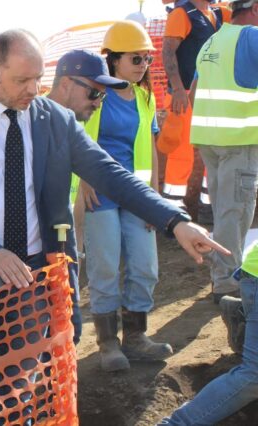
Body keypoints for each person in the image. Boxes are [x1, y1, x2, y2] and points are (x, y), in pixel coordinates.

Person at [0, 28, 229, 345]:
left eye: (38, 78)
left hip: (32, 280)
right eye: (22, 80)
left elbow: (109, 173)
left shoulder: (56, 120)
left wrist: (175, 221)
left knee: (22, 385)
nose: (33, 89)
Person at [160, 0, 258, 410]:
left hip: (212, 137)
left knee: (225, 213)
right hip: (237, 140)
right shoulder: (251, 38)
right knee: (235, 217)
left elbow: (200, 84)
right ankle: (228, 287)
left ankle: (224, 281)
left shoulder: (215, 38)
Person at [72, 21, 173, 372]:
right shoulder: (97, 94)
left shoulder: (146, 97)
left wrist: (155, 199)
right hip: (100, 195)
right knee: (104, 266)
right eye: (136, 58)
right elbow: (77, 140)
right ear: (113, 60)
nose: (143, 64)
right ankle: (108, 342)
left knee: (145, 266)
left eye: (146, 58)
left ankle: (136, 337)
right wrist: (83, 182)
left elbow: (153, 147)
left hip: (138, 196)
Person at [47, 49, 129, 258]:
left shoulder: (72, 130)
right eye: (93, 93)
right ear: (65, 84)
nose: (97, 103)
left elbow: (111, 174)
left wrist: (172, 219)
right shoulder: (29, 124)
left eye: (102, 96)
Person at [160, 0, 230, 221]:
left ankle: (208, 204)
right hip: (185, 95)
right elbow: (168, 52)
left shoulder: (218, 13)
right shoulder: (182, 15)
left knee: (215, 147)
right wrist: (179, 89)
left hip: (210, 95)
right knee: (181, 152)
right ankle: (173, 207)